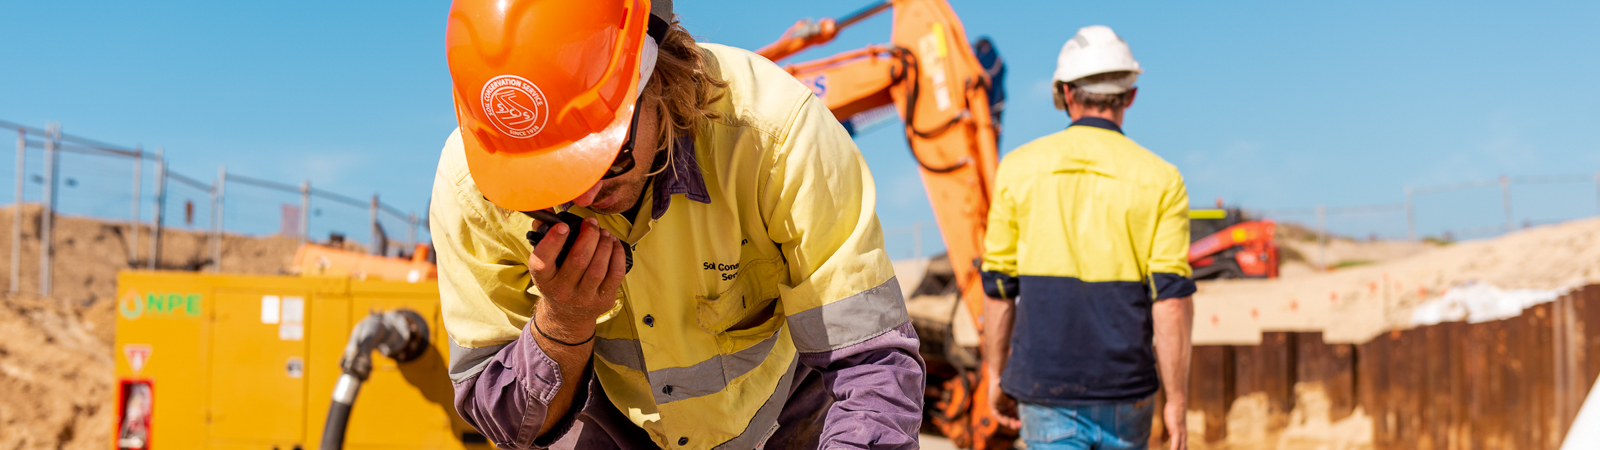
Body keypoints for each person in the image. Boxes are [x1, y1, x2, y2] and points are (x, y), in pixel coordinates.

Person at [429, 0, 924, 449]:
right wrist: (563, 326)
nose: (583, 197)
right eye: (548, 183)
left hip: (781, 417)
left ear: (658, 79)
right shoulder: (472, 189)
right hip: (607, 424)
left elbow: (872, 369)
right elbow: (508, 424)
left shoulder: (776, 137)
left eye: (611, 158)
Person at [978, 25, 1195, 450]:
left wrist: (994, 373)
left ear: (1064, 94)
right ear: (1130, 95)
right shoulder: (1162, 179)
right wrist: (1178, 402)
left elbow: (998, 287)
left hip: (1044, 387)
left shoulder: (1018, 169)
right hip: (1127, 388)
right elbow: (1170, 303)